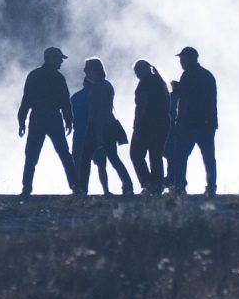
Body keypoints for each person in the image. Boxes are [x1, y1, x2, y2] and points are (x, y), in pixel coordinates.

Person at [19, 46, 80, 196]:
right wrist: (69, 120)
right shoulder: (58, 78)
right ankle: (75, 187)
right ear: (51, 58)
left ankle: (26, 189)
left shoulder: (34, 75)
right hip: (53, 118)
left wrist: (22, 120)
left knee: (31, 155)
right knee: (64, 154)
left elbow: (26, 100)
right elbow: (65, 101)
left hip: (37, 118)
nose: (61, 62)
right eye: (59, 59)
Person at [74, 59, 131, 194]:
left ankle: (82, 188)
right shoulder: (106, 85)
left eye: (87, 68)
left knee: (85, 158)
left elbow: (99, 112)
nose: (85, 71)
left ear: (95, 70)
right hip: (108, 126)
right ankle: (127, 185)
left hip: (98, 127)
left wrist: (98, 134)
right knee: (113, 158)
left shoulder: (98, 87)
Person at [168, 46, 220, 195]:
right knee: (209, 157)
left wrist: (178, 121)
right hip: (208, 123)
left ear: (190, 59)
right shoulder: (208, 75)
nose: (181, 62)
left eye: (182, 59)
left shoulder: (188, 75)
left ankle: (179, 187)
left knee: (180, 156)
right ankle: (211, 187)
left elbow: (185, 101)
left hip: (189, 124)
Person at [129, 59, 171, 193]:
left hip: (146, 124)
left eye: (137, 71)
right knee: (156, 155)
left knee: (136, 154)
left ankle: (147, 183)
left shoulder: (144, 84)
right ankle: (157, 185)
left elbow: (141, 106)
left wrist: (136, 127)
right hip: (162, 123)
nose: (136, 74)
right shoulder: (160, 82)